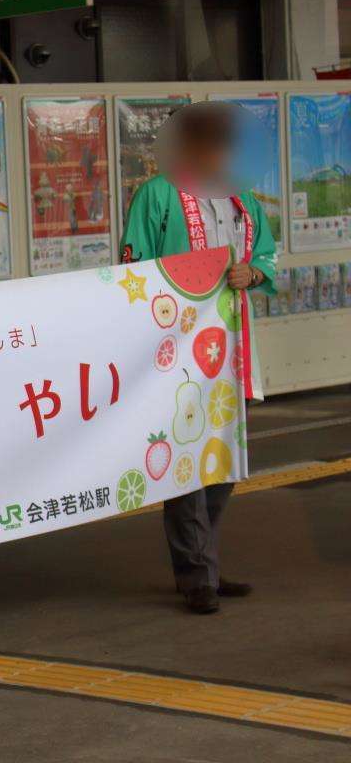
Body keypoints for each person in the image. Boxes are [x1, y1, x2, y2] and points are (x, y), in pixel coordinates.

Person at [120, 106, 277, 616]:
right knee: (186, 456)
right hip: (178, 345)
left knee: (224, 455)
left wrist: (251, 274)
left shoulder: (242, 197)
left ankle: (204, 559)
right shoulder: (157, 195)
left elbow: (268, 257)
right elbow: (133, 268)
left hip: (233, 346)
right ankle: (195, 573)